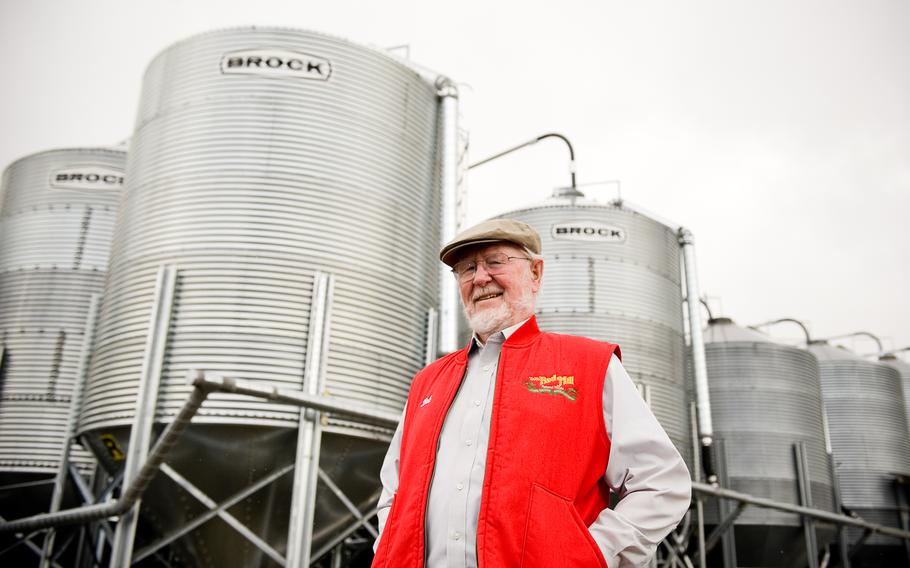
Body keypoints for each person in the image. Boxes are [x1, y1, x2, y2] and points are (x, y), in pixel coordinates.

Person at [372, 218, 691, 567]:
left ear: (536, 273)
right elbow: (394, 493)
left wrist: (593, 553)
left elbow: (661, 482)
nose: (480, 278)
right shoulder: (427, 382)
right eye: (466, 269)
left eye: (495, 261)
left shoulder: (588, 365)